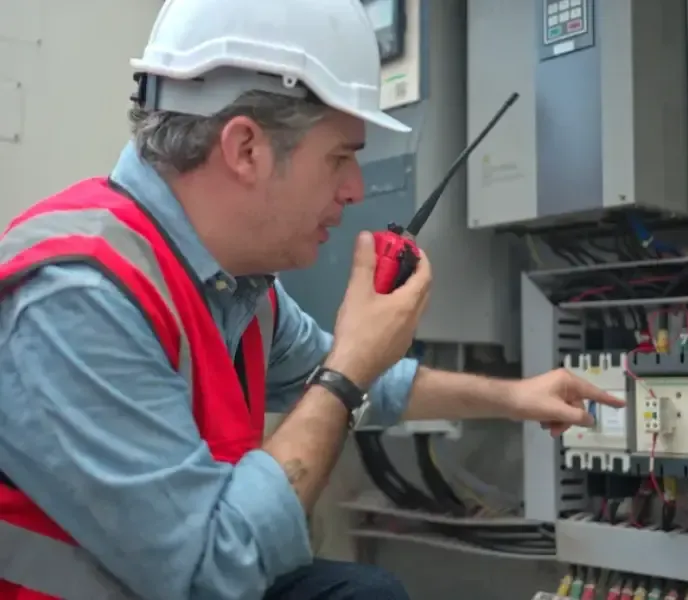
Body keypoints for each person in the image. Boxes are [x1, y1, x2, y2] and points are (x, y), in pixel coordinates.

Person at [0, 0, 623, 599]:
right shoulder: (79, 301)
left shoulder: (233, 286)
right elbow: (215, 571)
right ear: (246, 149)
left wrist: (515, 397)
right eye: (339, 158)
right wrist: (348, 367)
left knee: (364, 592)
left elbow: (365, 378)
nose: (355, 189)